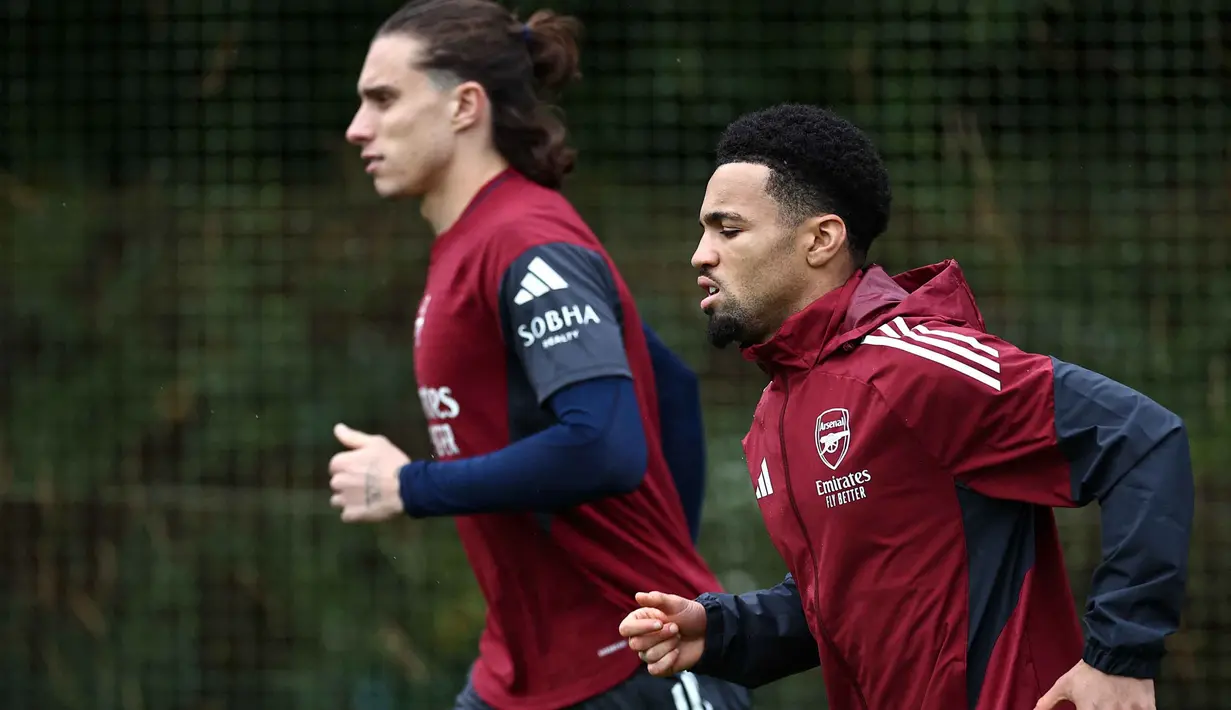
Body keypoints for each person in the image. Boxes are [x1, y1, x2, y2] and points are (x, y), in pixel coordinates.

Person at [617, 103, 1194, 710]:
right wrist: (723, 631)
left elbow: (1143, 440)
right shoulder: (774, 412)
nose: (701, 255)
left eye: (727, 230)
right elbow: (843, 603)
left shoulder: (914, 364)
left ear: (820, 239)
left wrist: (1118, 659)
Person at [324, 2, 749, 709]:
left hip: (631, 670)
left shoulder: (526, 240)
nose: (357, 127)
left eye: (383, 99)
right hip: (517, 677)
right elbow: (669, 385)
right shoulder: (479, 241)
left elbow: (603, 446)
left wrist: (412, 485)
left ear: (464, 106)